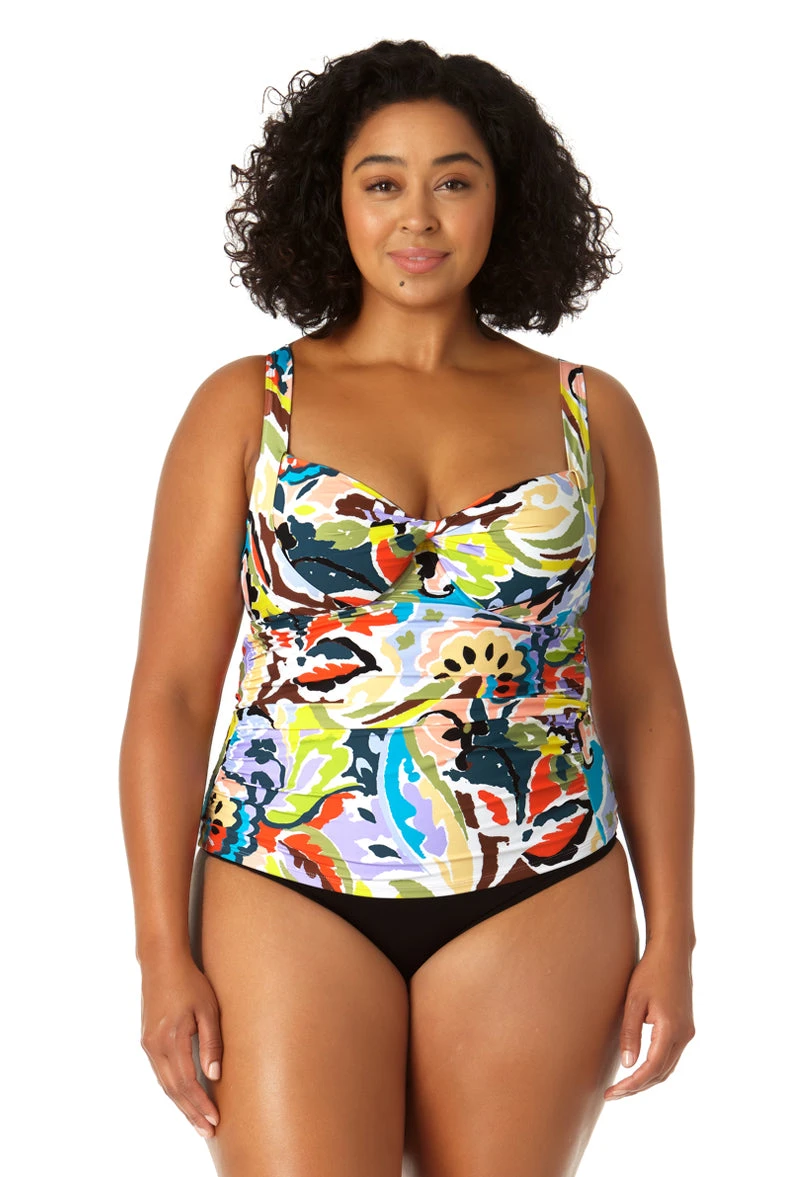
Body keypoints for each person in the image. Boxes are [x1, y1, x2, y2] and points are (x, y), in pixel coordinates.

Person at [119, 37, 696, 1177]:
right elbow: (172, 695)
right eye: (381, 182)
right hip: (285, 880)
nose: (417, 217)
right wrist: (157, 954)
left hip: (542, 883)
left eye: (454, 180)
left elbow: (641, 685)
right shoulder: (248, 405)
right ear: (329, 202)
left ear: (503, 199)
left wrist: (673, 932)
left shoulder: (591, 414)